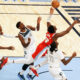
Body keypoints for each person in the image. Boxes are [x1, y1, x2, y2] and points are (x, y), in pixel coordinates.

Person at [0, 7, 80, 78]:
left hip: (41, 47)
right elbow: (66, 31)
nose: (56, 27)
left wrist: (51, 13)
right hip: (39, 49)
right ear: (55, 31)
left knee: (45, 58)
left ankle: (32, 68)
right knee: (29, 61)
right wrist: (74, 23)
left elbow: (48, 22)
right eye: (56, 27)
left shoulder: (49, 31)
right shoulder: (54, 36)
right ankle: (9, 62)